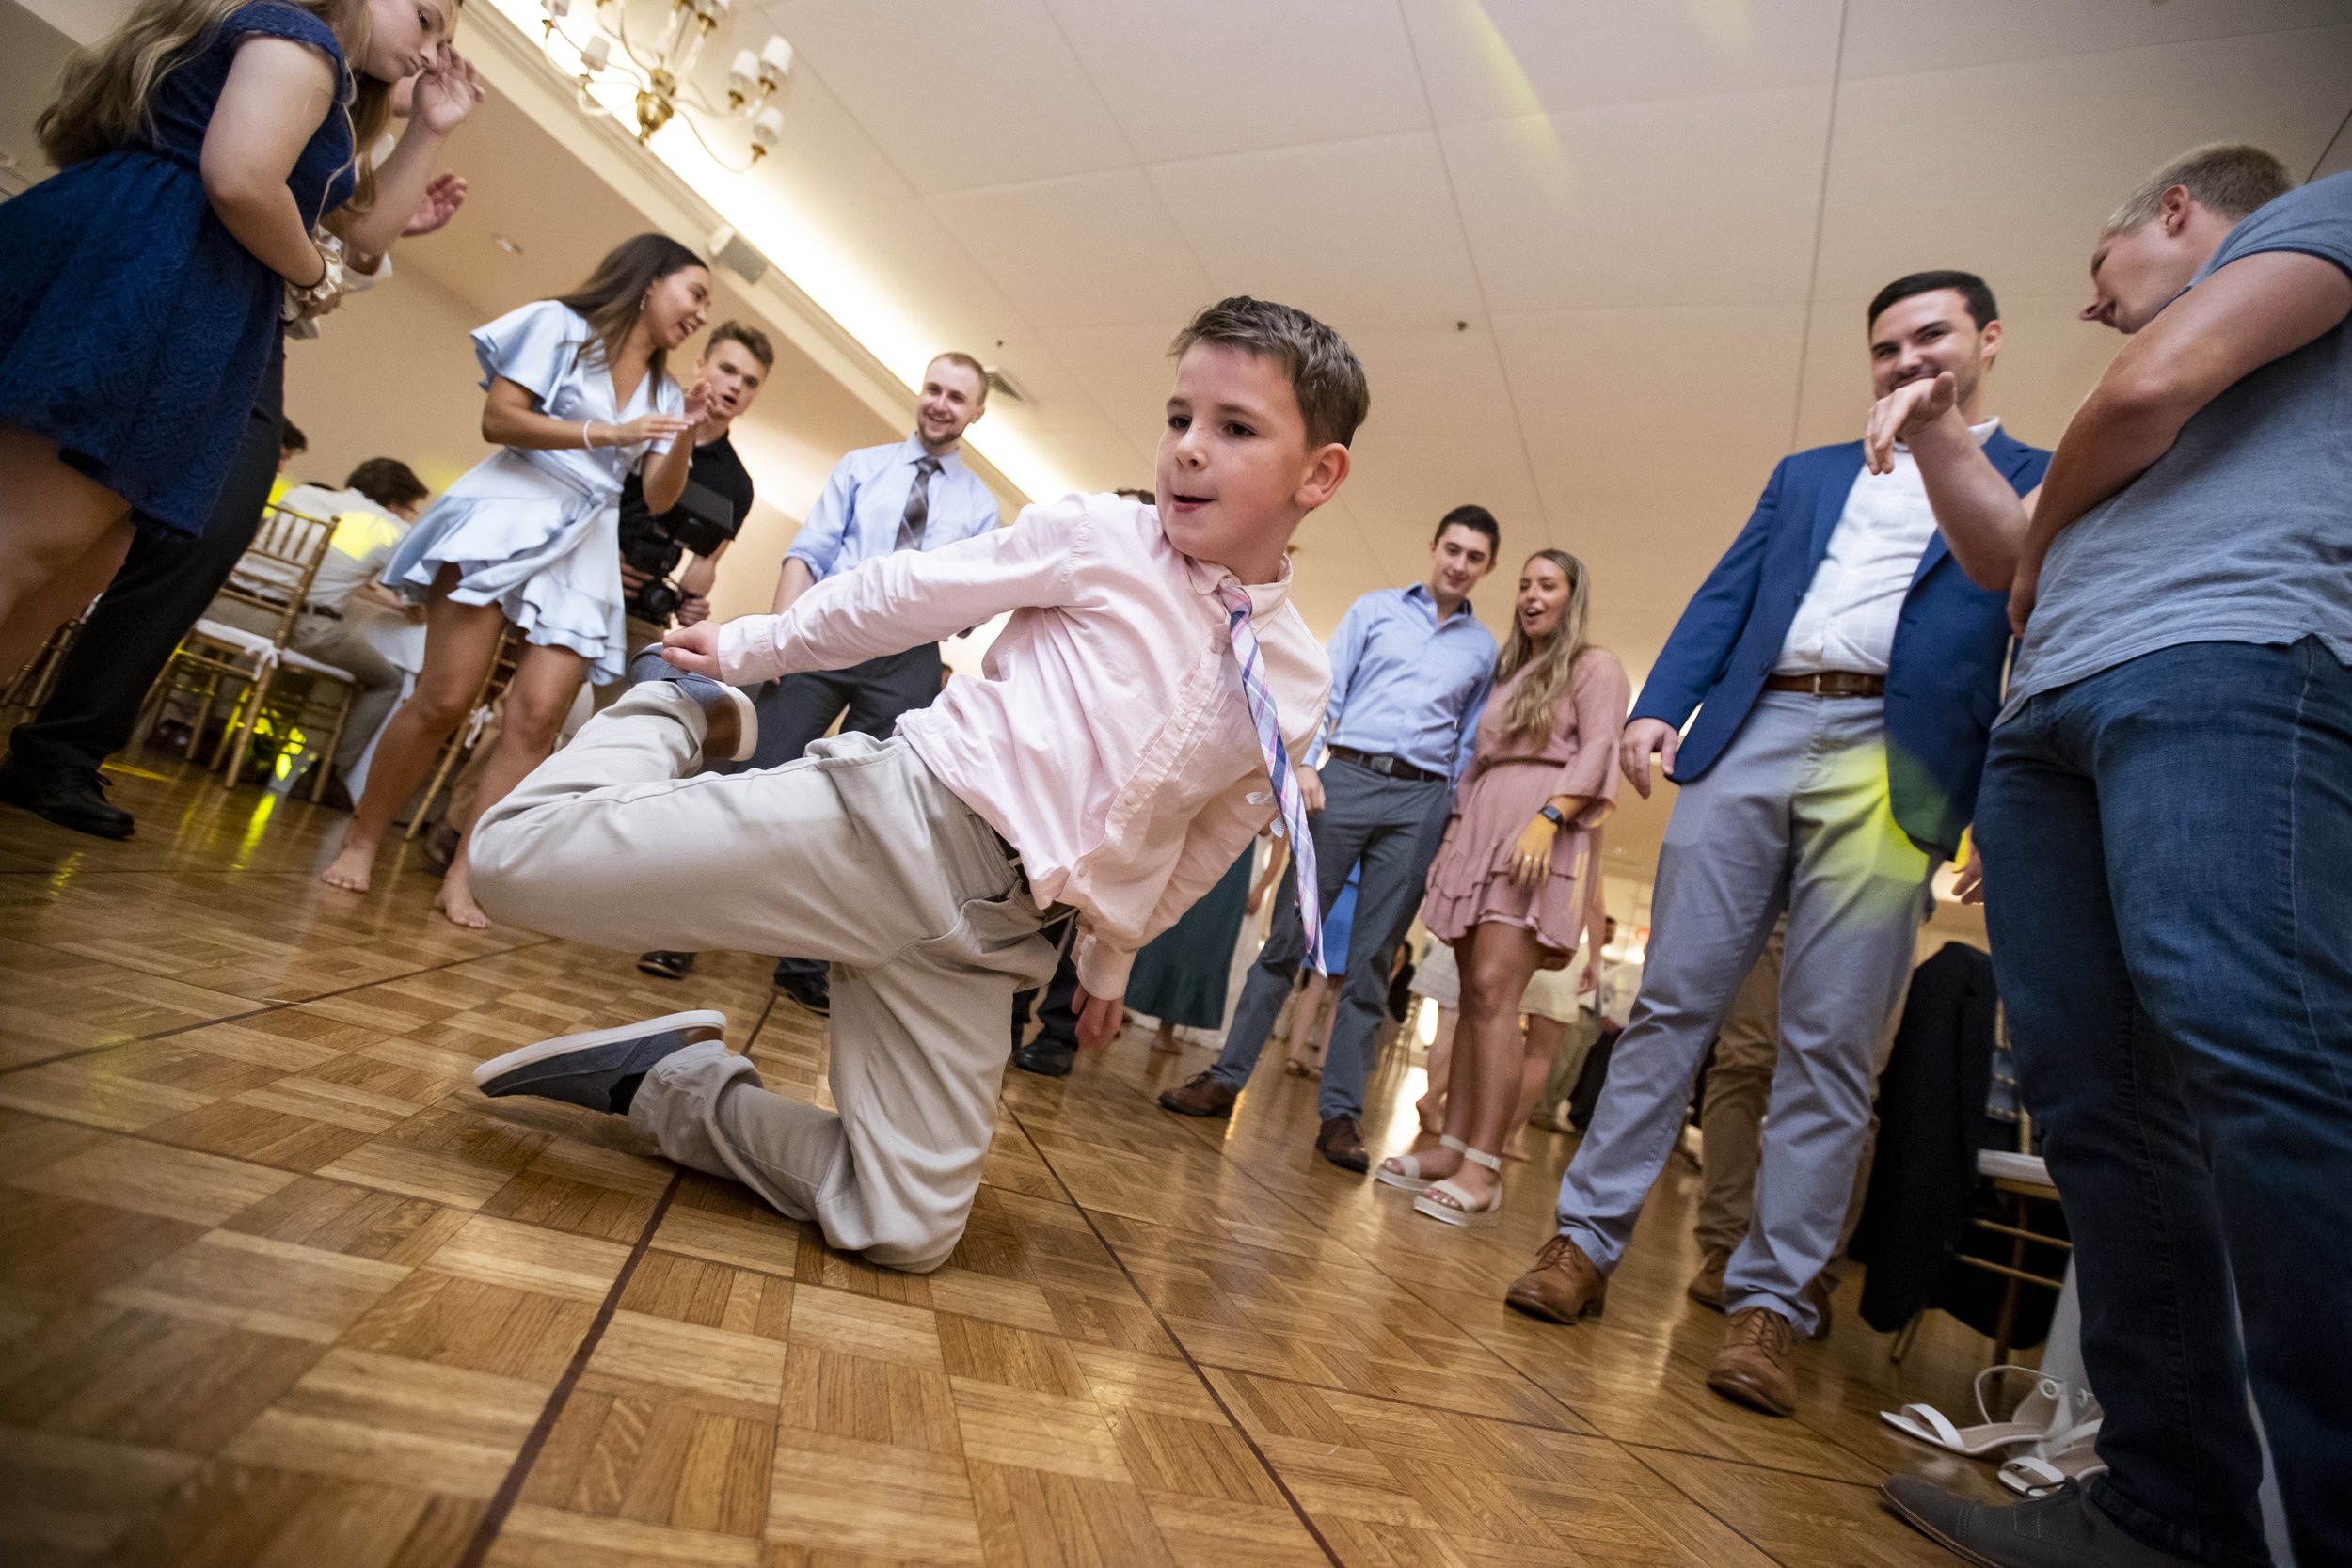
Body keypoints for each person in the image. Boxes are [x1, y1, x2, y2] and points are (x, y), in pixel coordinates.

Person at [458, 295, 1360, 1274]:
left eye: (1234, 428)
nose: (1187, 447)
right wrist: (753, 650)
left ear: (1319, 473)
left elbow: (1207, 836)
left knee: (903, 1227)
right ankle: (675, 713)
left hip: (999, 933)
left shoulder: (1298, 681)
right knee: (507, 861)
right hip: (895, 826)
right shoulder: (1102, 535)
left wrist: (1107, 965)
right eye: (1180, 416)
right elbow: (911, 593)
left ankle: (667, 1082)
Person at [1874, 146, 2350, 1568]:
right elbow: (2005, 548)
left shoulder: (2310, 220)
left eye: (2101, 274)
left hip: (2231, 663)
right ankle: (2165, 1503)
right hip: (2053, 718)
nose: (2098, 310)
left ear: (2182, 211)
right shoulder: (2101, 472)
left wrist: (2035, 557)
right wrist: (1945, 427)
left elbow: (2139, 397)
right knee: (2099, 1105)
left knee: (2268, 1063)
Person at [1502, 271, 2051, 1422]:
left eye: (1932, 337)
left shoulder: (2032, 480)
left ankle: (1769, 1302)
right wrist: (1663, 702)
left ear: (1987, 342)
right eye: (1886, 346)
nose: (1907, 360)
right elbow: (1726, 591)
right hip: (1755, 728)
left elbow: (2031, 645)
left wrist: (2002, 808)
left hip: (1889, 759)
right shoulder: (1805, 473)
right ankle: (1582, 1242)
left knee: (1829, 1045)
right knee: (1670, 1004)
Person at [0, 99, 469, 841]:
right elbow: (245, 186)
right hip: (180, 277)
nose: (432, 47)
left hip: (254, 330)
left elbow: (344, 246)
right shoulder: (305, 61)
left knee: (208, 524)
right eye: (424, 18)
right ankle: (56, 742)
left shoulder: (361, 130)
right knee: (55, 531)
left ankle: (62, 745)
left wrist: (364, 231)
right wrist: (325, 263)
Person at [321, 234, 714, 926]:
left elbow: (655, 496)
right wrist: (604, 434)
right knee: (443, 698)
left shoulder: (663, 390)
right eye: (696, 293)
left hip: (584, 542)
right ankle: (362, 839)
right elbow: (497, 419)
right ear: (652, 282)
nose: (701, 314)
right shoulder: (558, 326)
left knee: (536, 720)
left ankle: (467, 875)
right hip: (510, 509)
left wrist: (684, 428)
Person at [636, 351, 998, 1004]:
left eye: (957, 397)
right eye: (934, 389)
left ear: (978, 412)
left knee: (863, 810)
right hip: (828, 629)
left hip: (910, 658)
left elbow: (970, 612)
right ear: (922, 394)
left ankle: (802, 962)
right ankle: (679, 928)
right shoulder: (862, 467)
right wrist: (778, 643)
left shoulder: (980, 506)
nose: (941, 403)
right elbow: (807, 553)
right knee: (753, 776)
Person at [1159, 506, 1501, 1173]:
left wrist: (1451, 809)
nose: (1459, 563)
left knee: (1371, 962)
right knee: (1290, 937)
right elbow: (1326, 688)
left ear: (1486, 567)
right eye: (1452, 548)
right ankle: (1226, 1078)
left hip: (1421, 799)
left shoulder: (1483, 649)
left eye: (1474, 556)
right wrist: (1307, 763)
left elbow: (1470, 738)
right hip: (1344, 777)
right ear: (1433, 546)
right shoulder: (1376, 610)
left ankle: (1340, 1115)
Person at [1375, 549, 1627, 1225]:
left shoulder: (1594, 666)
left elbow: (1601, 747)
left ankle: (1483, 1165)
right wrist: (1452, 841)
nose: (1530, 595)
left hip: (1536, 840)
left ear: (1573, 596)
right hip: (1479, 832)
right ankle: (1448, 1144)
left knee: (1494, 988)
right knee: (1468, 989)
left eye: (1547, 585)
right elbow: (1474, 763)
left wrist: (1550, 820)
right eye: (1523, 584)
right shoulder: (1509, 673)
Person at [236, 458, 433, 800]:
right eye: (410, 509)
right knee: (386, 681)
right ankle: (326, 776)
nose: (409, 517)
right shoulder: (388, 528)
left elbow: (321, 571)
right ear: (395, 504)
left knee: (289, 662)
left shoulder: (301, 495)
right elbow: (414, 601)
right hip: (299, 626)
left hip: (232, 608)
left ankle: (227, 743)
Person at [609, 319, 771, 690]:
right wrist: (601, 556)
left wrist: (691, 602)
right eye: (728, 370)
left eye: (750, 382)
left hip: (644, 610)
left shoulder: (737, 484)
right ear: (700, 365)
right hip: (583, 578)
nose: (735, 386)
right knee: (529, 714)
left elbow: (706, 561)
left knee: (626, 726)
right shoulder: (644, 414)